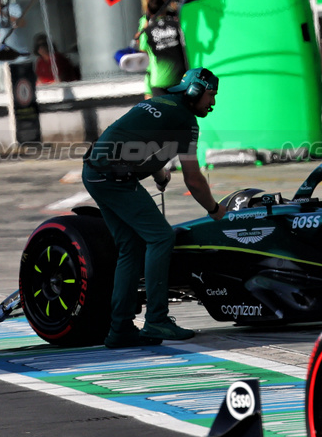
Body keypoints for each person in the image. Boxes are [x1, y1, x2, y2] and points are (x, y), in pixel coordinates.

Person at [82, 67, 227, 347]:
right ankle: (157, 320)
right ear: (195, 92)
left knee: (130, 247)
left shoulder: (160, 102)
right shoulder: (186, 121)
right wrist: (214, 210)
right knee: (161, 237)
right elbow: (194, 179)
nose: (213, 103)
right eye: (211, 95)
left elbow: (139, 139)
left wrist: (159, 174)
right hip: (114, 178)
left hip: (95, 172)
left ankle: (121, 328)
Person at [134, 0, 188, 96]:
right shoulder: (145, 23)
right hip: (159, 84)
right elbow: (146, 59)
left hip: (183, 81)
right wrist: (148, 91)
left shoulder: (177, 16)